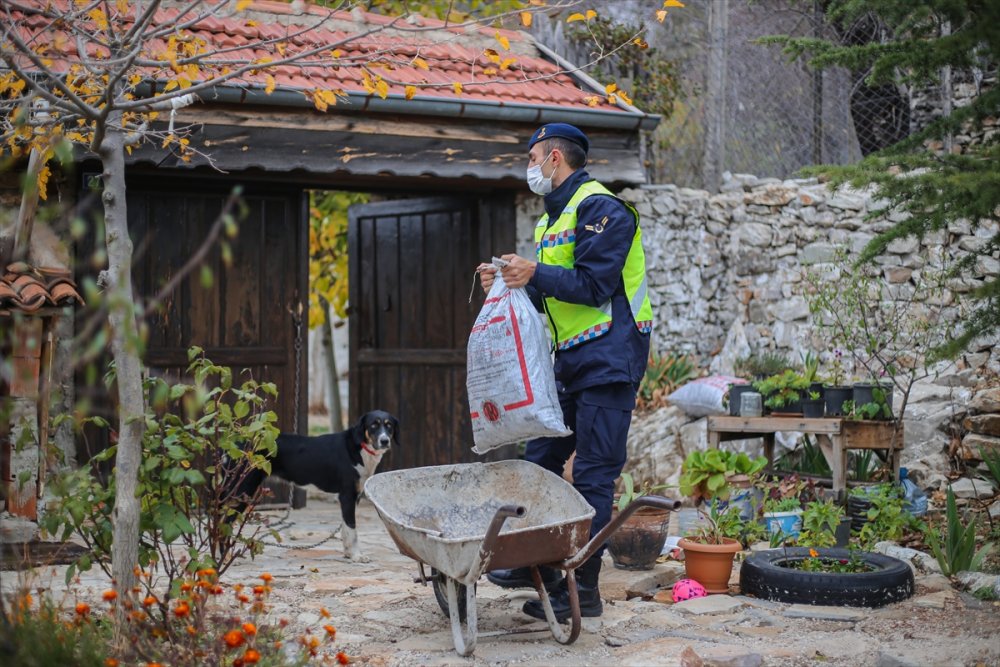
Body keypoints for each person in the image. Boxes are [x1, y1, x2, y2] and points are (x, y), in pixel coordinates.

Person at [478, 122, 652, 621]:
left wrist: (534, 273)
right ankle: (536, 561)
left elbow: (595, 285)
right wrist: (509, 280)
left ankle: (584, 589)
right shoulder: (551, 221)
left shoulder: (603, 208)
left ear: (555, 158)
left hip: (610, 357)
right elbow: (550, 290)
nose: (529, 165)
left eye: (532, 156)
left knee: (594, 474)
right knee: (539, 460)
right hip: (571, 359)